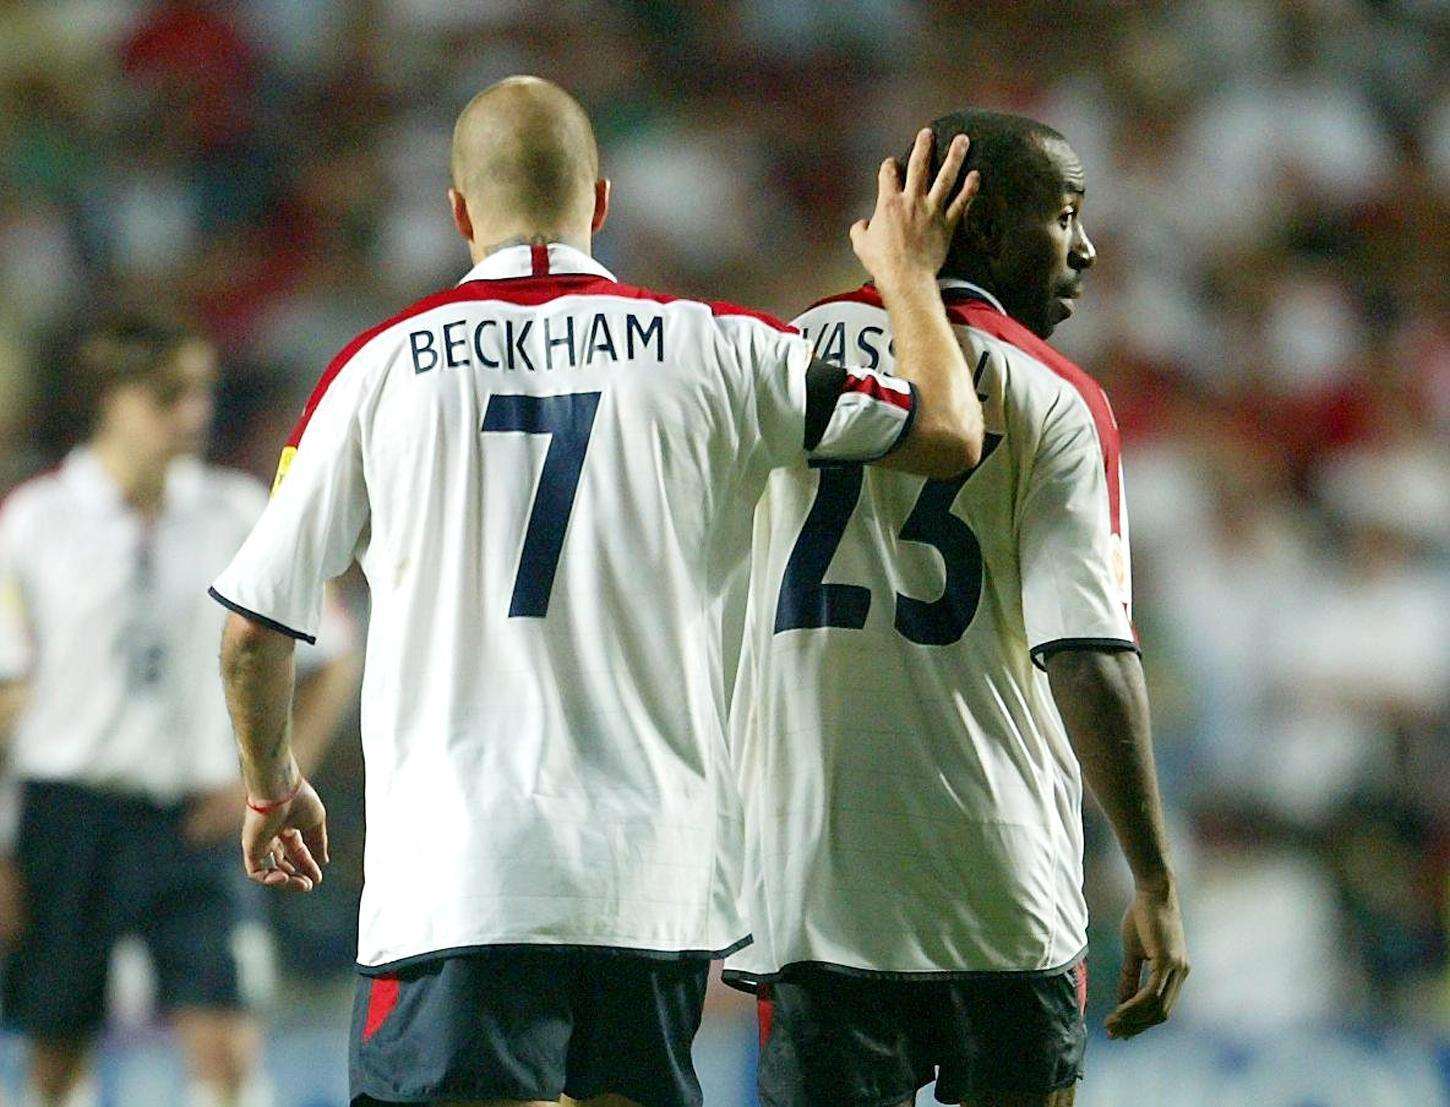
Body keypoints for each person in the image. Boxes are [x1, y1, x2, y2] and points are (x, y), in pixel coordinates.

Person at [211, 76, 985, 1107]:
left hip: (460, 869)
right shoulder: (718, 347)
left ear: (457, 211)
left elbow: (254, 630)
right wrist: (906, 277)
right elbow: (947, 434)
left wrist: (272, 787)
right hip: (654, 870)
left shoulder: (377, 370)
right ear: (603, 200)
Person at [724, 109, 1191, 1107]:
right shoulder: (1054, 396)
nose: (1088, 248)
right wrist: (1151, 876)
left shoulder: (776, 355)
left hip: (813, 876)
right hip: (997, 874)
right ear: (975, 223)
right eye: (1064, 215)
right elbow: (1087, 651)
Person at [0, 314, 359, 1107]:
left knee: (229, 1049)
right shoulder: (34, 521)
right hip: (71, 812)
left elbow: (333, 651)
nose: (193, 414)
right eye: (169, 396)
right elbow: (6, 692)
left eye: (201, 393)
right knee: (56, 1058)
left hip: (199, 819)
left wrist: (273, 769)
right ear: (110, 400)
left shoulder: (236, 510)